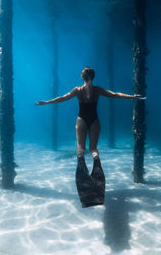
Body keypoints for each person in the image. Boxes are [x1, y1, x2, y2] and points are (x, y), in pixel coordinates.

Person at [36, 67, 145, 207]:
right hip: (94, 120)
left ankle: (81, 159)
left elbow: (62, 98)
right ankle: (96, 160)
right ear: (93, 77)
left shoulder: (77, 91)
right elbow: (114, 94)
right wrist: (132, 97)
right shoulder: (97, 90)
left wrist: (46, 102)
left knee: (81, 148)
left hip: (81, 120)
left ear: (82, 77)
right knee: (93, 148)